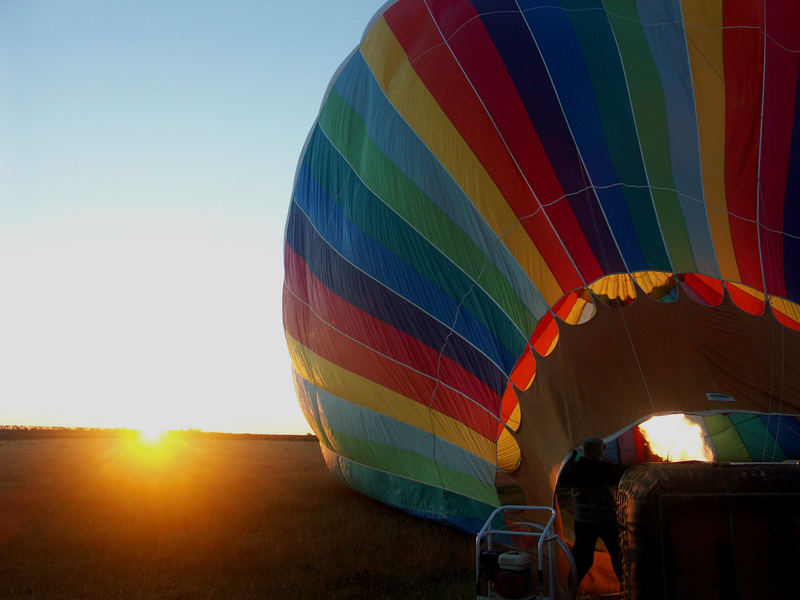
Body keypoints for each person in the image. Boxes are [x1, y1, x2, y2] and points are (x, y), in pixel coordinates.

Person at [559, 436, 628, 584]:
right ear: (601, 451)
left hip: (583, 522)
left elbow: (564, 474)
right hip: (607, 521)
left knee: (582, 560)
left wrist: (570, 456)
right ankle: (627, 589)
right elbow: (625, 472)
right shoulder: (604, 469)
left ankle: (569, 590)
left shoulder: (575, 469)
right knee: (619, 558)